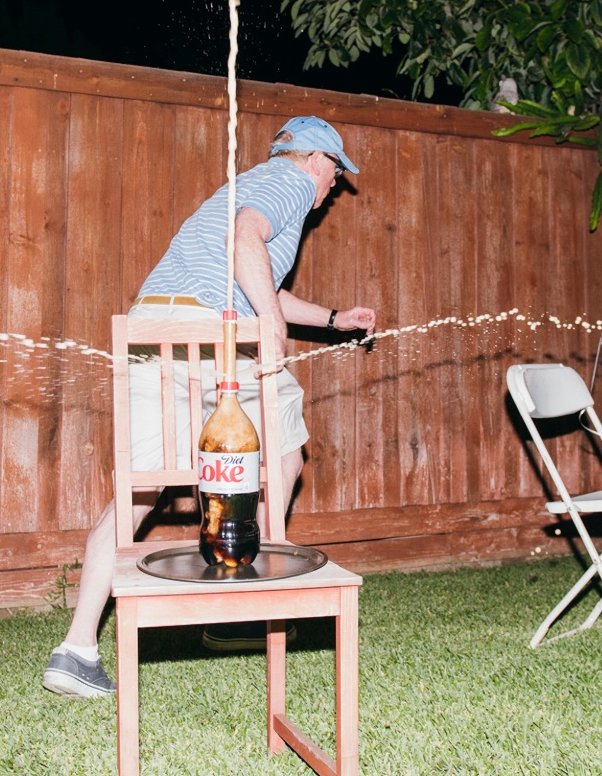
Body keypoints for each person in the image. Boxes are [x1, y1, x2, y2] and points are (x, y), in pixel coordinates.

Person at [42, 115, 377, 698]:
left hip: (157, 331)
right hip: (210, 337)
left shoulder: (246, 185)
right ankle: (247, 603)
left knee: (138, 490)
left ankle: (76, 650)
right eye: (335, 178)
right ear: (319, 160)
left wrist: (330, 319)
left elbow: (256, 280)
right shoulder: (289, 182)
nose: (330, 194)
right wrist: (270, 330)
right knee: (284, 454)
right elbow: (244, 242)